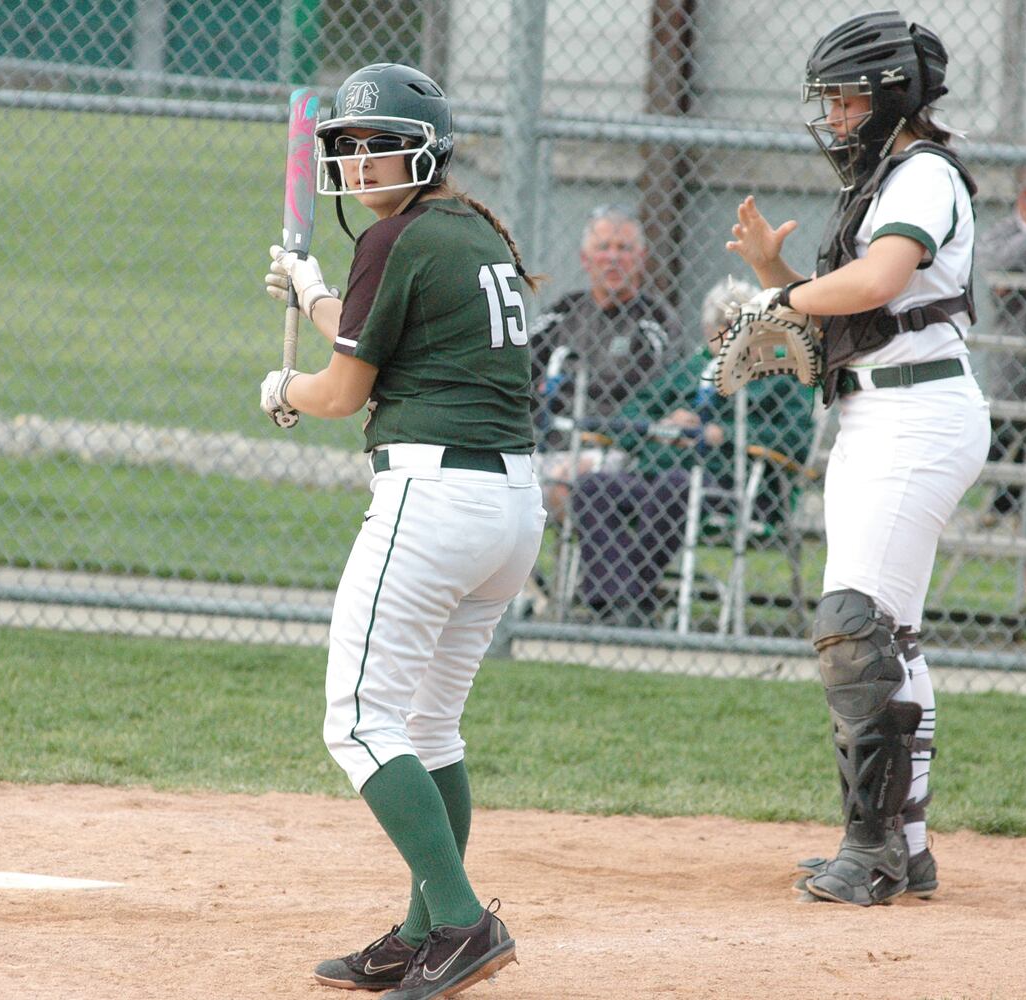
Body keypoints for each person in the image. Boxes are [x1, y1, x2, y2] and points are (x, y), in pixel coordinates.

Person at [259, 63, 544, 997]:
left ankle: (462, 922)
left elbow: (343, 391)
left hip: (434, 504)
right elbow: (377, 334)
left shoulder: (396, 237)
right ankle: (424, 931)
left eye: (372, 143)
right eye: (344, 145)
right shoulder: (459, 231)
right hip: (509, 509)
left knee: (356, 721)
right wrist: (310, 291)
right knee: (428, 723)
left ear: (421, 149)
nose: (354, 158)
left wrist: (283, 393)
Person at [725, 10, 990, 906]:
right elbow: (858, 313)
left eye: (843, 101)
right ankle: (904, 851)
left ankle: (869, 850)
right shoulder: (885, 182)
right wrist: (776, 278)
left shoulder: (921, 175)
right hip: (882, 414)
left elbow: (878, 284)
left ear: (889, 99)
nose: (834, 119)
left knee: (849, 625)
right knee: (887, 636)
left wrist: (786, 294)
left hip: (917, 413)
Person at [567, 278, 814, 627]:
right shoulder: (690, 371)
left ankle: (626, 598)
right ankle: (612, 605)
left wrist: (722, 434)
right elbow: (630, 415)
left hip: (735, 488)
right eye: (720, 328)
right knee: (592, 488)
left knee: (677, 486)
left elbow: (795, 440)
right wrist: (666, 426)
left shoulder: (780, 374)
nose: (728, 337)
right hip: (656, 475)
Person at [530, 205, 681, 519]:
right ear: (586, 260)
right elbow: (522, 365)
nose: (613, 258)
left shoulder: (655, 320)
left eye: (623, 249)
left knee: (561, 485)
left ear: (640, 259)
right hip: (546, 442)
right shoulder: (563, 311)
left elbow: (654, 394)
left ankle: (569, 568)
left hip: (615, 447)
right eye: (603, 248)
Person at [976, 165, 1026, 528]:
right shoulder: (1002, 233)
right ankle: (1001, 509)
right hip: (1013, 353)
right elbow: (997, 266)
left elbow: (1012, 275)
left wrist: (1018, 279)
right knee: (1007, 430)